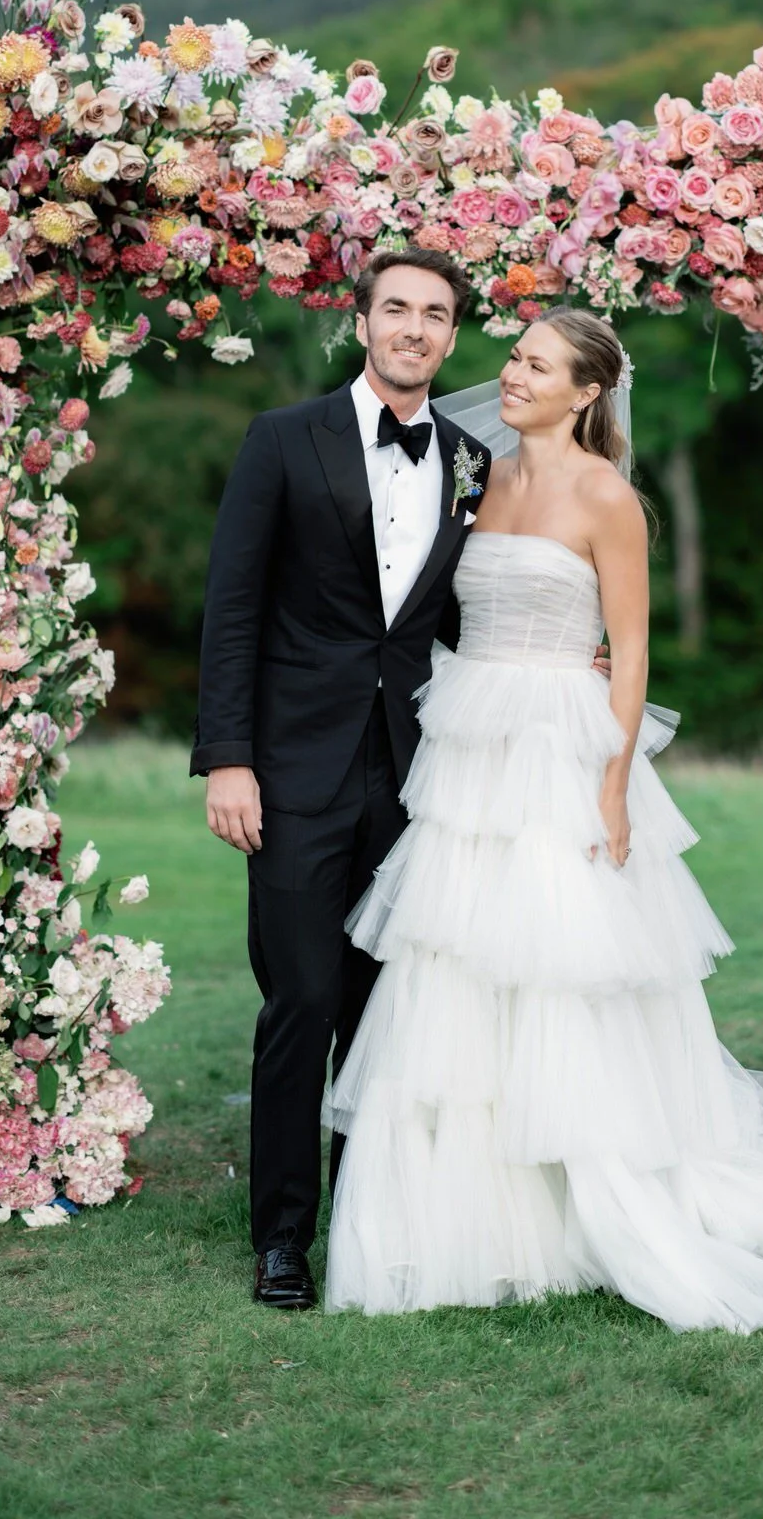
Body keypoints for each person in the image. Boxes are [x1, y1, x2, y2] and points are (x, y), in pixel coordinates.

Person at [324, 309, 763, 1332]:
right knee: (456, 968)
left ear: (587, 391)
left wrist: (614, 785)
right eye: (515, 358)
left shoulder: (606, 495)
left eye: (538, 364)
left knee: (557, 971)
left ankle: (605, 1199)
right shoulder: (473, 478)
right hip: (469, 741)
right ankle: (479, 1220)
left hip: (561, 749)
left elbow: (629, 652)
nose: (513, 374)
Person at [193, 248, 490, 1310]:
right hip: (289, 767)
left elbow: (459, 618)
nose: (414, 327)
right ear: (362, 321)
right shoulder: (282, 438)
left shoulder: (468, 460)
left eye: (436, 314)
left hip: (415, 776)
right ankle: (281, 1235)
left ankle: (368, 1219)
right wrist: (228, 757)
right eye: (397, 308)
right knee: (304, 998)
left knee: (385, 1011)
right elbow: (231, 607)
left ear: (454, 337)